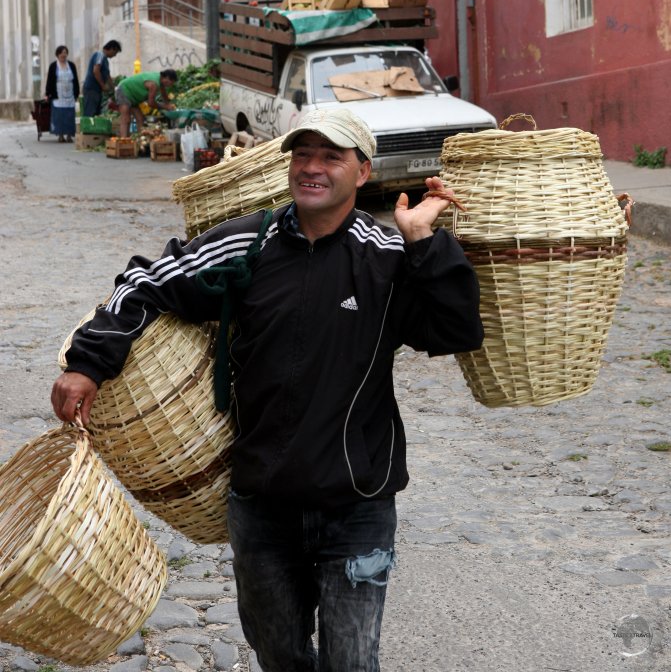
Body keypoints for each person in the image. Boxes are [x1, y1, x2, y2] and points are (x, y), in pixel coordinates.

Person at [51, 107, 484, 672]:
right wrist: (89, 362)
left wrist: (423, 237)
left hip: (356, 504)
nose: (312, 168)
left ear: (363, 172)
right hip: (260, 503)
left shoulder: (386, 257)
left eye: (332, 157)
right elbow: (147, 282)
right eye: (302, 155)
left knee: (351, 662)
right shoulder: (245, 247)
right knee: (278, 655)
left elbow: (456, 329)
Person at [114, 68, 177, 136]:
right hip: (124, 90)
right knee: (126, 118)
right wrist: (165, 107)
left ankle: (140, 140)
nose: (170, 85)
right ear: (167, 78)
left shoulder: (160, 80)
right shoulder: (153, 84)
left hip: (134, 97)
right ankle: (124, 142)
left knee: (140, 118)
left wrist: (168, 104)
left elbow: (163, 93)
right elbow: (151, 103)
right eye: (171, 83)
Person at [44, 45, 80, 143]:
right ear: (57, 54)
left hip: (70, 93)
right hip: (58, 93)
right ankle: (60, 135)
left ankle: (69, 135)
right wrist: (47, 93)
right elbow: (50, 80)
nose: (63, 55)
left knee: (69, 115)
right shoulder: (53, 66)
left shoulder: (71, 65)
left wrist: (77, 93)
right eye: (61, 53)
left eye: (65, 52)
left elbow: (75, 79)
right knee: (59, 115)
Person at [82, 40, 122, 117]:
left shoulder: (105, 61)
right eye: (115, 52)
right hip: (92, 89)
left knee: (96, 115)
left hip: (97, 91)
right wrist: (103, 86)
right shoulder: (99, 55)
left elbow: (108, 76)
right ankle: (88, 129)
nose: (115, 55)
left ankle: (94, 129)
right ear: (112, 49)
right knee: (90, 114)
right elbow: (96, 71)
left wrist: (113, 89)